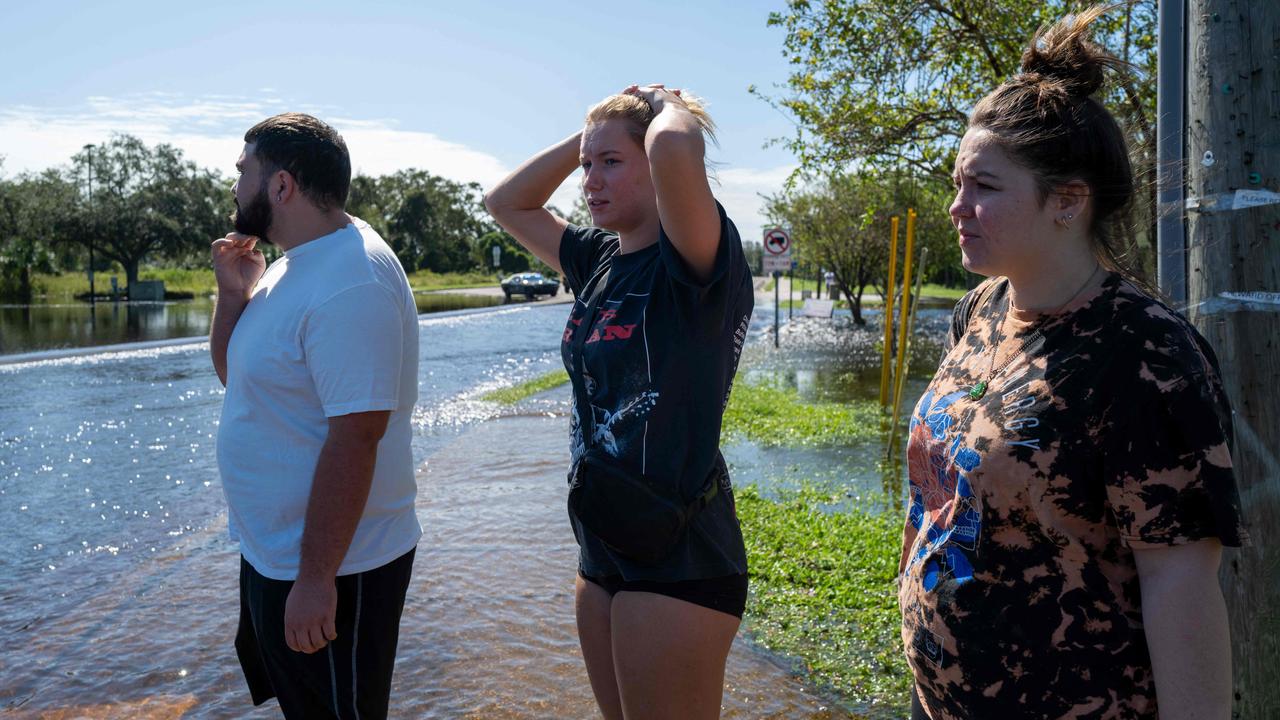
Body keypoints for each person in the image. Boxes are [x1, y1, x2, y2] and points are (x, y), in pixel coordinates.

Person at [899, 7, 1251, 719]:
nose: (955, 207)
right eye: (958, 182)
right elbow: (940, 499)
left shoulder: (1145, 355)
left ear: (1067, 200)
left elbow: (1179, 584)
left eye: (983, 188)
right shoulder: (980, 312)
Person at [484, 85, 753, 719]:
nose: (590, 180)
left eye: (611, 163)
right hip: (603, 543)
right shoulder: (600, 259)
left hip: (680, 552)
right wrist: (590, 136)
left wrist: (662, 104)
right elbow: (505, 201)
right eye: (586, 165)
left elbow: (678, 144)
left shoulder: (695, 259)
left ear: (658, 168)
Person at [210, 113, 421, 719]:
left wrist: (314, 581)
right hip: (277, 555)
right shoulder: (291, 262)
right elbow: (239, 379)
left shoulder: (350, 280)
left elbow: (357, 439)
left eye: (242, 170)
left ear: (282, 185)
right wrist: (232, 296)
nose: (234, 184)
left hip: (338, 569)